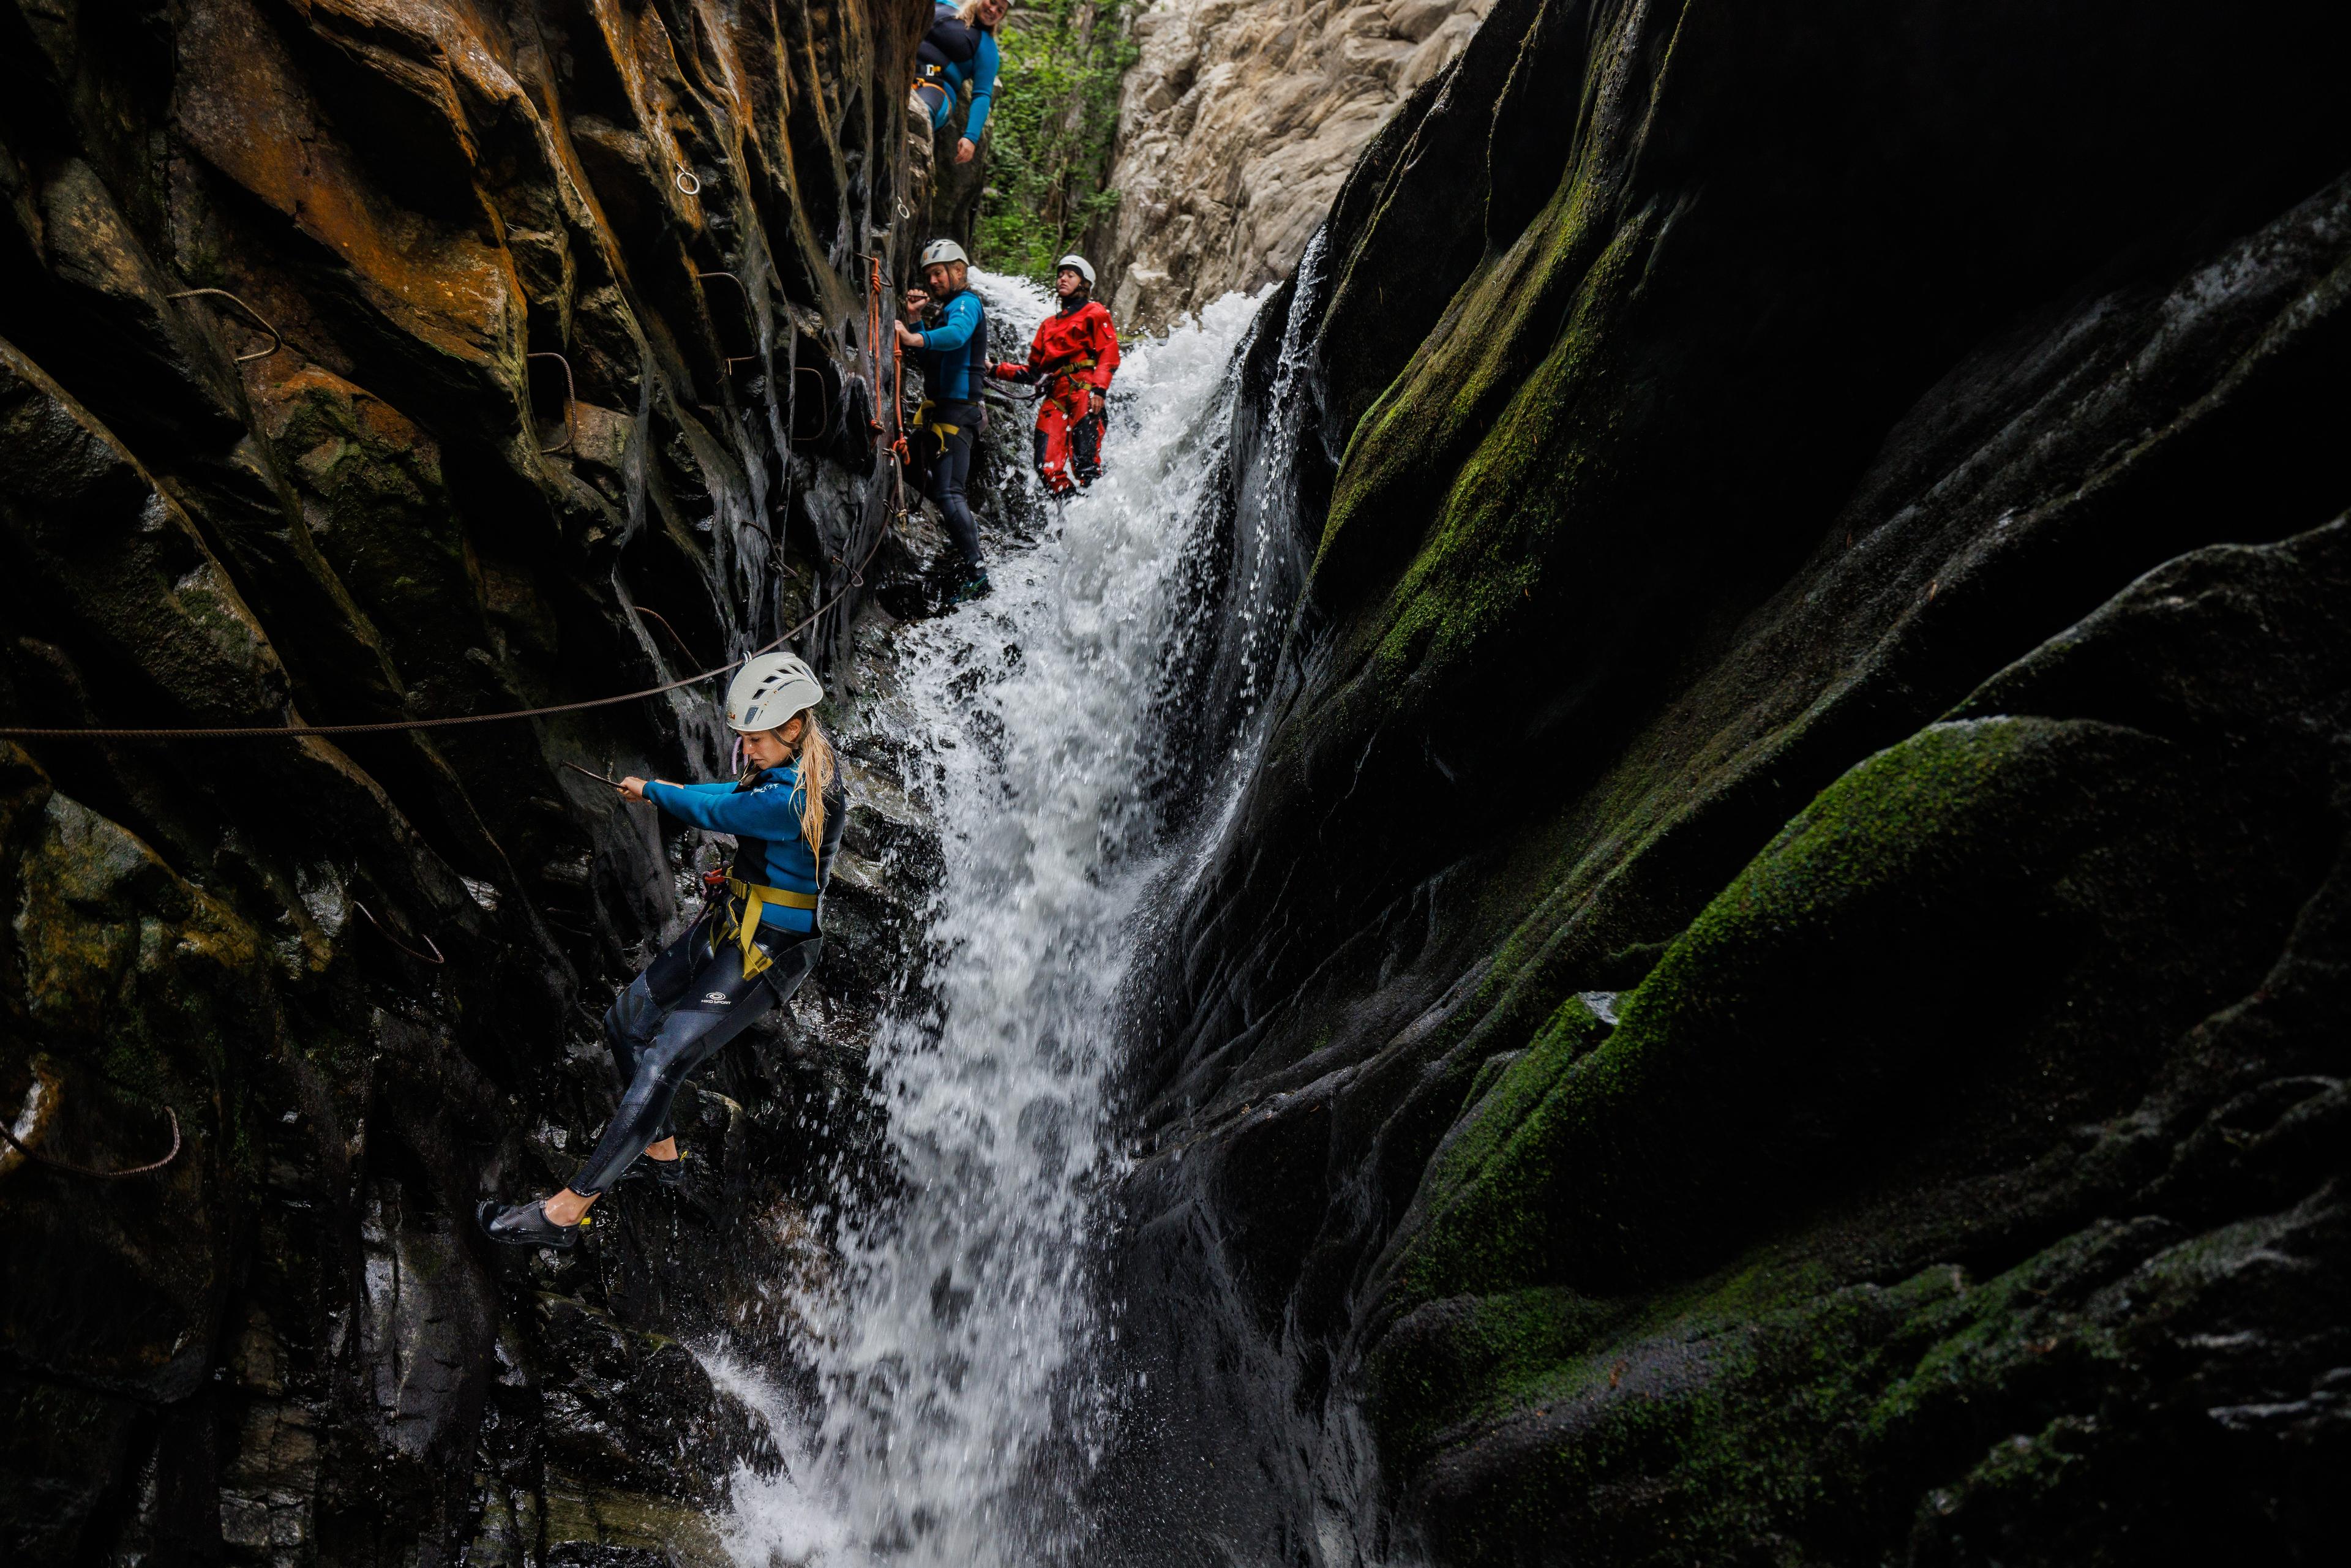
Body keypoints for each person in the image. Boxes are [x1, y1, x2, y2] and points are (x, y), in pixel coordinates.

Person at [478, 653, 844, 1248]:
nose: (746, 749)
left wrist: (656, 790)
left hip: (769, 950)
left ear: (793, 728)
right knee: (625, 1022)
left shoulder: (798, 798)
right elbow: (731, 789)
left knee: (663, 1059)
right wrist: (667, 791)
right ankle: (663, 1153)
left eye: (753, 739)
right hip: (732, 922)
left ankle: (566, 1212)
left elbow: (724, 809)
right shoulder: (784, 767)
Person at [896, 238, 992, 599]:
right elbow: (931, 361)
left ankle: (977, 571)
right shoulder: (948, 310)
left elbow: (955, 338)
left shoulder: (966, 304)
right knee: (912, 469)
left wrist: (910, 336)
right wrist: (917, 321)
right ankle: (961, 540)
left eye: (938, 273)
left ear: (958, 271)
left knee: (950, 491)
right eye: (929, 275)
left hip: (957, 414)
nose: (933, 281)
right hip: (943, 413)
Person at [991, 254, 1119, 498]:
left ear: (1084, 283)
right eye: (1061, 274)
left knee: (1085, 462)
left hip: (1085, 389)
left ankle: (1098, 510)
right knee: (1045, 466)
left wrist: (1099, 390)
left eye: (1070, 275)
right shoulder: (1048, 325)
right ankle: (1072, 511)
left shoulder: (1096, 312)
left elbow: (1109, 354)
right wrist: (993, 369)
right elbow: (1033, 373)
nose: (1063, 278)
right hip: (1056, 396)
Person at [912, 0, 1009, 166]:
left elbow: (982, 94)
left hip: (935, 89)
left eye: (1000, 10)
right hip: (899, 67)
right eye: (992, 2)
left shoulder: (987, 48)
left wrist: (971, 137)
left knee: (919, 116)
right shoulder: (942, 5)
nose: (993, 10)